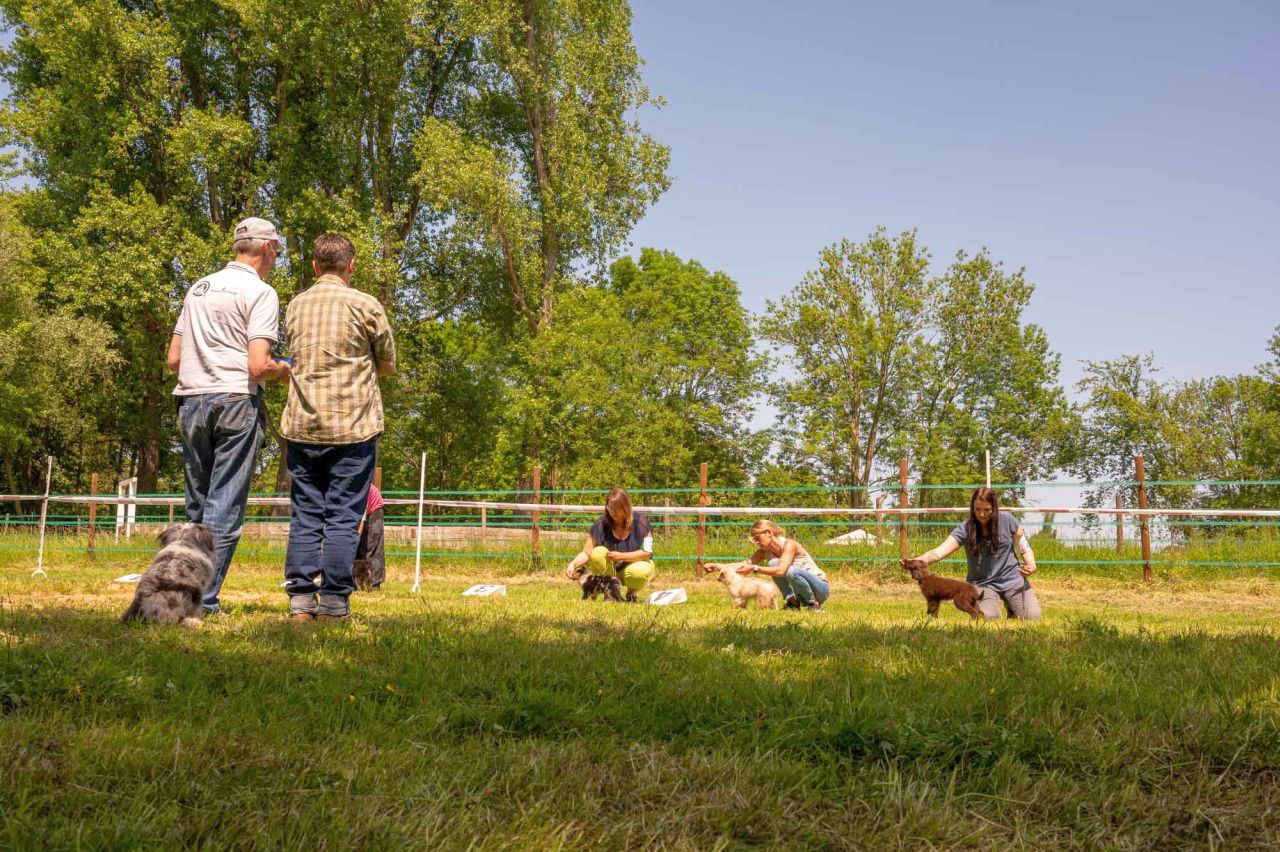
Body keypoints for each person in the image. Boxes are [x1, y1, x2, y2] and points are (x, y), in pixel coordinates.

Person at [167, 216, 291, 615]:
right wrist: (284, 369)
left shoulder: (198, 288)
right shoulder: (261, 292)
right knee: (225, 506)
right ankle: (203, 601)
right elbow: (258, 365)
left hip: (190, 398)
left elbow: (173, 358)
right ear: (268, 249)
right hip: (236, 399)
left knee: (196, 505)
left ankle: (176, 591)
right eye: (277, 253)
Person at [280, 233, 396, 622]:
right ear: (351, 265)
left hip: (302, 427)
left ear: (315, 266)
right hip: (354, 428)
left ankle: (299, 601)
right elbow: (387, 364)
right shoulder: (367, 305)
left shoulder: (295, 306)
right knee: (345, 516)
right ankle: (333, 602)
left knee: (307, 513)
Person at [904, 486, 1041, 620]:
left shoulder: (1007, 520)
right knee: (987, 617)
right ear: (972, 508)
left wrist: (1031, 565)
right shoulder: (965, 528)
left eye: (987, 509)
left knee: (1032, 617)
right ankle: (997, 604)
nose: (982, 514)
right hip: (982, 584)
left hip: (1012, 580)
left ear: (994, 508)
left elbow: (1023, 545)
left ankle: (1012, 608)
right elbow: (938, 553)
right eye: (977, 509)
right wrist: (912, 561)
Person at [705, 519, 829, 611]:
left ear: (769, 532)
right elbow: (744, 564)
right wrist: (717, 566)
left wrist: (755, 568)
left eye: (758, 537)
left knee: (788, 570)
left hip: (820, 588)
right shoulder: (765, 552)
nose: (756, 542)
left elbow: (781, 571)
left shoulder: (790, 544)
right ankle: (792, 603)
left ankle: (814, 605)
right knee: (773, 563)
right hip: (800, 591)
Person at [564, 488, 655, 602]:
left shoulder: (641, 522)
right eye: (610, 508)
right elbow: (586, 552)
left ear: (626, 506)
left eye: (617, 508)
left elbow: (647, 553)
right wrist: (573, 564)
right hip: (611, 570)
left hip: (633, 567)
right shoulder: (601, 524)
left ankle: (632, 593)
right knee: (597, 553)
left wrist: (621, 556)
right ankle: (609, 594)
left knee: (639, 572)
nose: (613, 512)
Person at [354, 482, 386, 590]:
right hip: (358, 509)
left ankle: (374, 583)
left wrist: (356, 538)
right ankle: (354, 582)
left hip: (374, 509)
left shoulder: (360, 490)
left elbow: (361, 519)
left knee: (371, 546)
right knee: (357, 550)